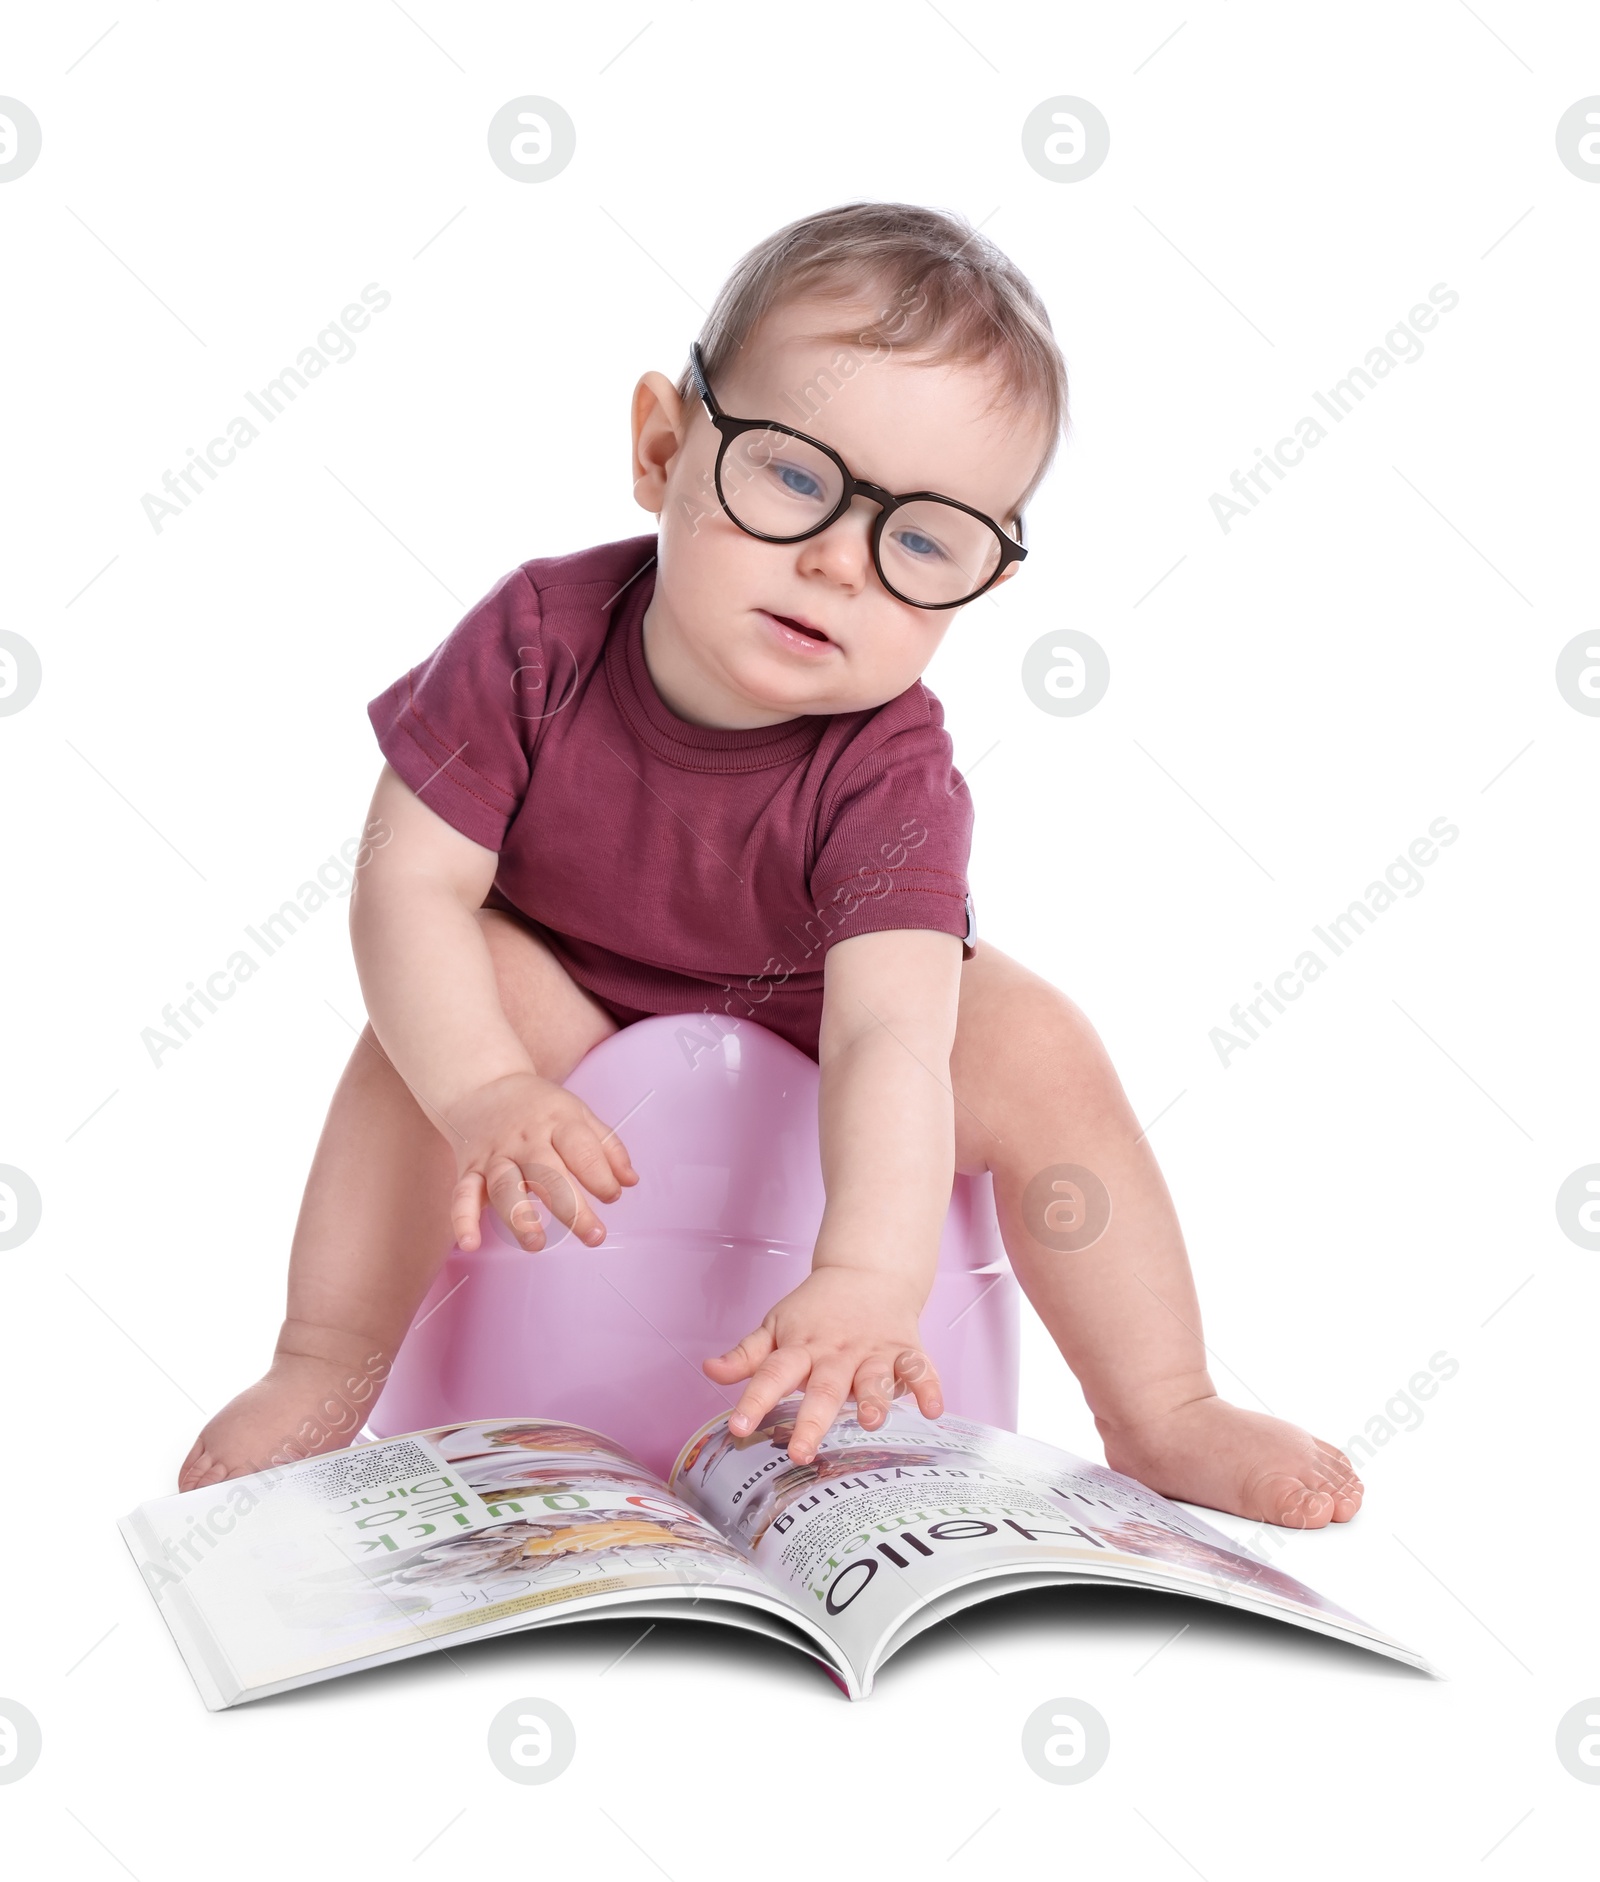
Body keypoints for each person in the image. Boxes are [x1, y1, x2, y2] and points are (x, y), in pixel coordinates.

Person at [179, 202, 1362, 1530]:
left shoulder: (893, 769)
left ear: (977, 581)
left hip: (817, 1041)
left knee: (1037, 1045)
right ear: (663, 446)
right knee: (449, 997)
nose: (836, 562)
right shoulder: (532, 641)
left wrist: (867, 1271)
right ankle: (327, 1357)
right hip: (576, 1008)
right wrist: (487, 1087)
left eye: (919, 543)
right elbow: (406, 887)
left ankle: (1165, 1405)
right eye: (796, 477)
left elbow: (888, 1042)